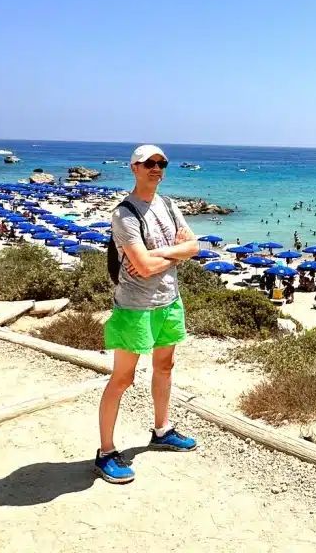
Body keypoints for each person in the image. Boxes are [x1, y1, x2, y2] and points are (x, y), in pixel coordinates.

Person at [95, 145, 202, 485]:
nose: (156, 168)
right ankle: (106, 452)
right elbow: (141, 266)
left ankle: (162, 429)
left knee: (165, 366)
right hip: (134, 307)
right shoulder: (124, 215)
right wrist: (177, 254)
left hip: (169, 301)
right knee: (123, 378)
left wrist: (164, 253)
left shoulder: (169, 205)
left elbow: (195, 246)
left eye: (161, 163)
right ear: (134, 168)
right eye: (149, 163)